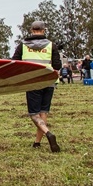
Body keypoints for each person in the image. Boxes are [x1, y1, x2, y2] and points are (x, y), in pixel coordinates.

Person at [12, 20, 61, 152]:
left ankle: (48, 133)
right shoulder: (52, 45)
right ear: (44, 30)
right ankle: (37, 142)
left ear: (31, 30)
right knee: (43, 111)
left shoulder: (22, 45)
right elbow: (57, 66)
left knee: (34, 114)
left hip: (33, 81)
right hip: (49, 81)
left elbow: (14, 62)